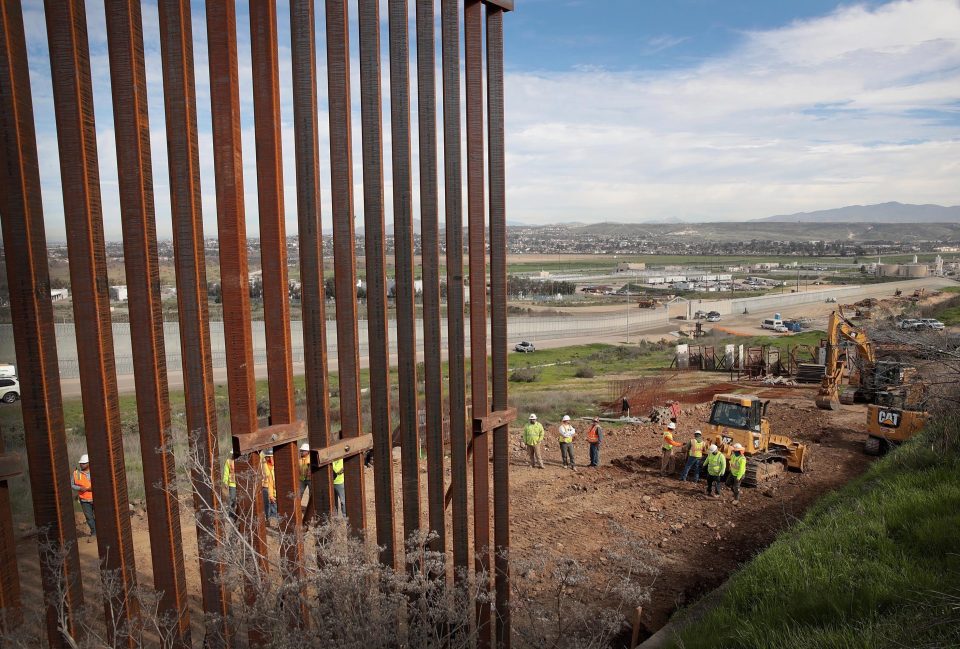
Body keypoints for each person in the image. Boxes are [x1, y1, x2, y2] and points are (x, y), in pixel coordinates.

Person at [71, 454, 95, 537]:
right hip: (84, 500)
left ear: (89, 463)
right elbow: (72, 485)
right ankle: (94, 533)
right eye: (81, 463)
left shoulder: (95, 471)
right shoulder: (76, 473)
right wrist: (80, 488)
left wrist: (89, 488)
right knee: (89, 518)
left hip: (95, 498)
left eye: (84, 463)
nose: (81, 465)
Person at [262, 449, 277, 524]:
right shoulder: (263, 464)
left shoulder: (276, 466)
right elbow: (270, 482)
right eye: (268, 457)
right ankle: (269, 519)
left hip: (274, 489)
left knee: (274, 506)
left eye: (271, 457)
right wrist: (271, 495)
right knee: (268, 504)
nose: (270, 459)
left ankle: (273, 519)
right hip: (266, 486)